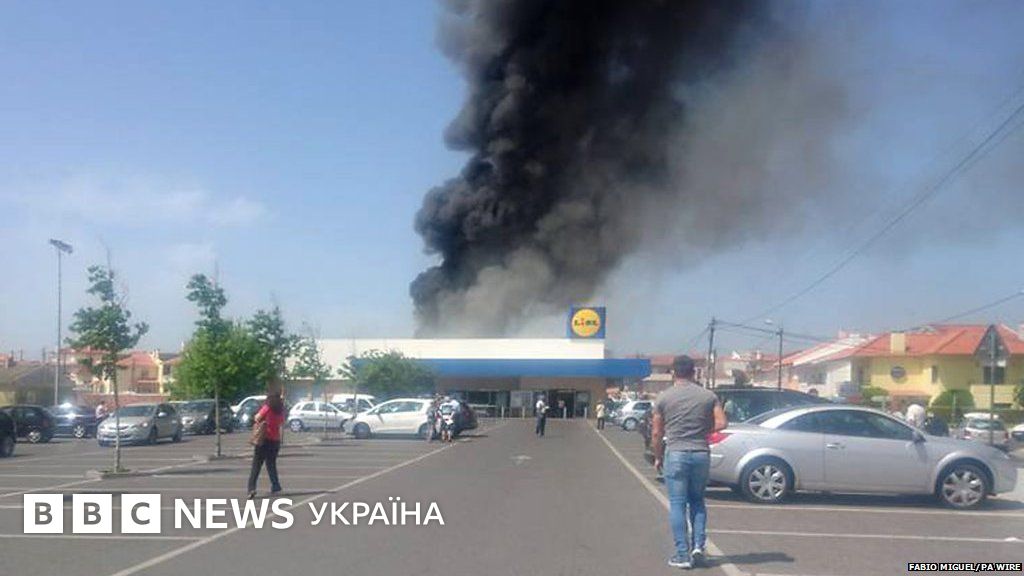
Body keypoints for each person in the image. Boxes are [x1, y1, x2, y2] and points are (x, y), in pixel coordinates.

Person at [652, 355, 727, 570]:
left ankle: (682, 554)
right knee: (697, 501)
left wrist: (658, 456)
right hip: (700, 453)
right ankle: (698, 547)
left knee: (677, 503)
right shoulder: (708, 396)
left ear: (673, 373)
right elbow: (722, 422)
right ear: (694, 372)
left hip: (676, 453)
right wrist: (703, 429)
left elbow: (657, 433)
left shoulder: (663, 398)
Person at [247, 393, 285, 499]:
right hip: (275, 440)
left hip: (264, 439)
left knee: (256, 465)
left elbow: (257, 418)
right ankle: (276, 485)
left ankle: (251, 488)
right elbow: (281, 423)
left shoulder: (267, 407)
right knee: (271, 464)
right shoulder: (280, 410)